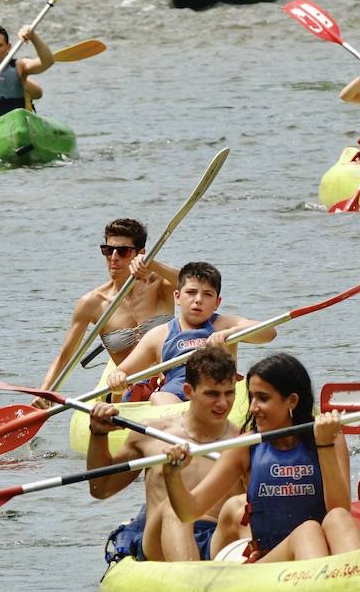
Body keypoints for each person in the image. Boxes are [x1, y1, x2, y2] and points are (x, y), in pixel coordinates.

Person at [160, 353, 360, 563]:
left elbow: (339, 507)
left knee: (338, 518)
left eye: (263, 398)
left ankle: (357, 580)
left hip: (323, 552)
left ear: (291, 401)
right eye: (252, 397)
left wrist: (324, 444)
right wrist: (172, 474)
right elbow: (189, 512)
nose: (252, 408)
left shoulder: (331, 437)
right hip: (270, 561)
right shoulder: (246, 446)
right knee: (307, 531)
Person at [93, 346, 244, 564]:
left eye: (229, 393)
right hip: (159, 541)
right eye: (212, 394)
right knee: (175, 510)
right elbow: (101, 488)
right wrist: (98, 435)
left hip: (216, 538)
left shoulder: (243, 440)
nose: (222, 403)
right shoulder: (153, 433)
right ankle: (190, 584)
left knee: (240, 506)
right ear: (189, 391)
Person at [36, 218, 178, 404]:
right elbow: (66, 356)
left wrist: (154, 264)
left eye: (123, 251)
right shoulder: (93, 303)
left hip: (171, 378)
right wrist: (45, 393)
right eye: (108, 250)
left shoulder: (160, 283)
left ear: (141, 253)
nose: (114, 257)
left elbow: (198, 283)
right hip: (127, 387)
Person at [104, 262, 275, 405]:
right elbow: (122, 371)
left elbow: (269, 333)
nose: (198, 300)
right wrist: (118, 377)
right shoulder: (159, 335)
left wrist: (233, 332)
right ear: (177, 297)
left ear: (217, 303)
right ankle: (180, 435)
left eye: (207, 294)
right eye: (191, 292)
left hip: (219, 394)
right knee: (159, 397)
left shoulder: (223, 324)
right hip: (177, 398)